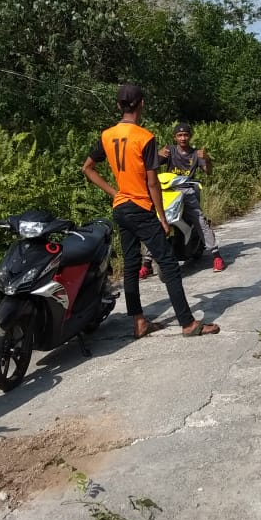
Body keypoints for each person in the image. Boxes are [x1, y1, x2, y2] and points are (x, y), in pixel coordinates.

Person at [83, 84, 220, 338]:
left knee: (132, 264)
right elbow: (153, 182)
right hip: (141, 206)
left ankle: (139, 322)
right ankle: (188, 324)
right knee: (168, 263)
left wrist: (115, 193)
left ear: (118, 106)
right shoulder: (145, 138)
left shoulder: (107, 135)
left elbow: (88, 168)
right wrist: (162, 216)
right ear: (142, 105)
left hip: (121, 208)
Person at [141, 122, 226, 274]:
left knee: (198, 219)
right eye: (179, 135)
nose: (183, 138)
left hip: (188, 191)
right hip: (168, 191)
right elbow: (151, 166)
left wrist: (206, 159)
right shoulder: (170, 151)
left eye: (185, 135)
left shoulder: (196, 153)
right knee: (158, 220)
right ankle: (147, 263)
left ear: (190, 136)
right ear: (175, 137)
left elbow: (208, 171)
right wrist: (158, 155)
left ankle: (216, 255)